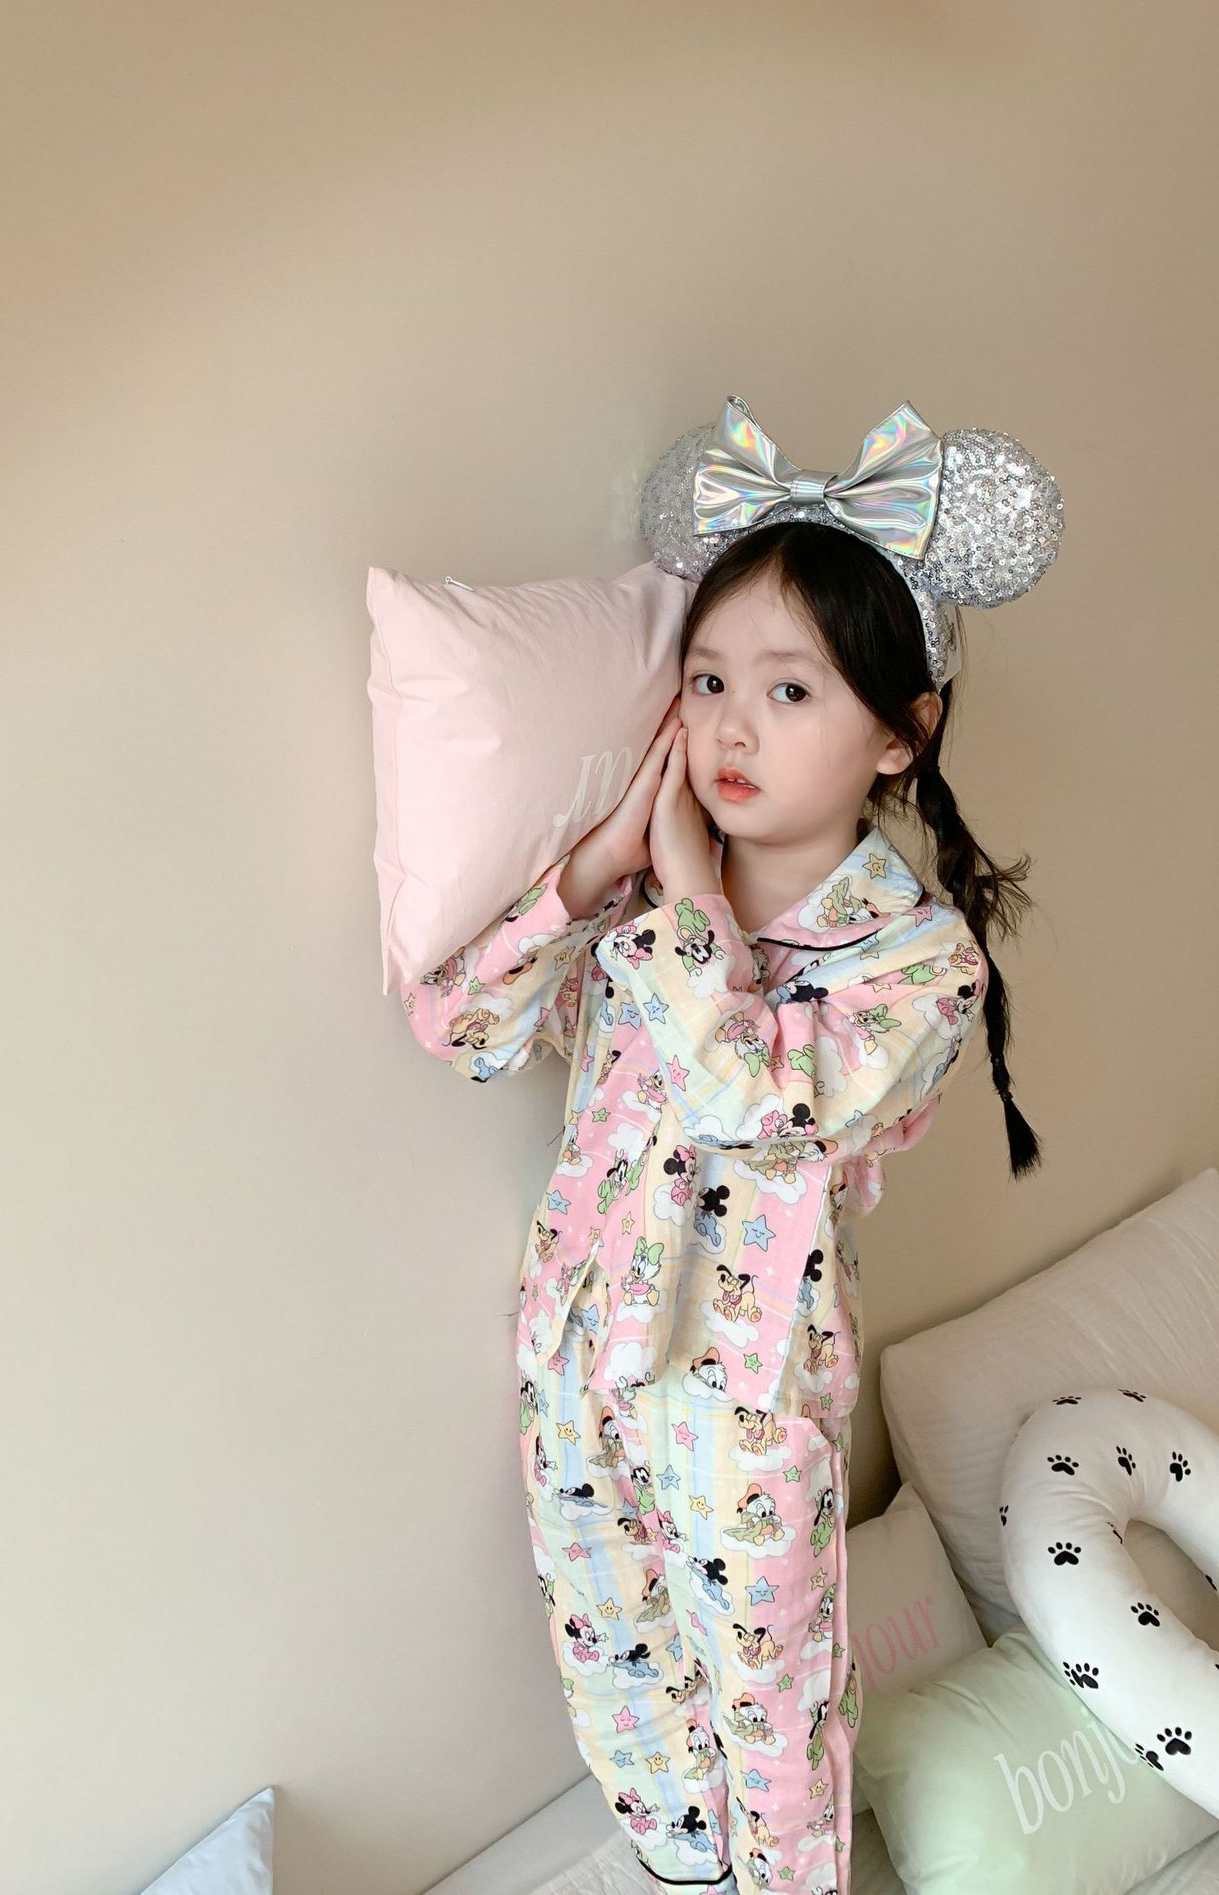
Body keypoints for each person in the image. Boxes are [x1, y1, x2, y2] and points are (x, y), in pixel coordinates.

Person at [398, 415, 1054, 1890]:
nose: (733, 729)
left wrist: (693, 900)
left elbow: (756, 1107)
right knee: (624, 1692)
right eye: (707, 683)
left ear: (901, 730)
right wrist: (600, 864)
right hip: (579, 1354)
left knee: (773, 1719)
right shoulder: (635, 911)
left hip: (743, 1398)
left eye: (790, 689)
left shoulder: (916, 964)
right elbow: (462, 1026)